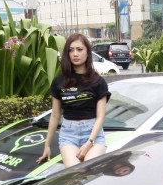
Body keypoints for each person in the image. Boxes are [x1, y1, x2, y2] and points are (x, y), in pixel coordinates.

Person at [37, 33, 110, 167]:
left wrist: (90, 142)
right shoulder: (59, 81)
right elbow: (55, 115)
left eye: (79, 49)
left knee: (89, 170)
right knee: (74, 174)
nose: (75, 54)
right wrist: (47, 144)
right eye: (71, 50)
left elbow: (101, 116)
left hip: (93, 133)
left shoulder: (98, 82)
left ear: (88, 52)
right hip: (68, 135)